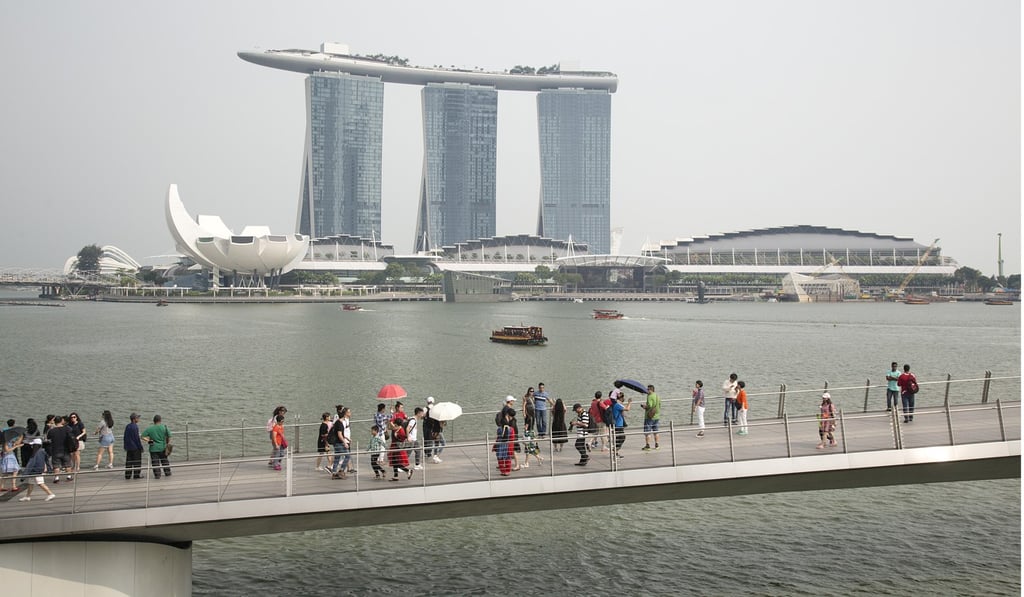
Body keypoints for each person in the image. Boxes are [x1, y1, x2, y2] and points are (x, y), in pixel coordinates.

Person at [141, 415, 172, 479]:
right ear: (160, 420)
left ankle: (157, 475)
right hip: (162, 447)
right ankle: (167, 473)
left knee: (155, 462)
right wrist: (167, 443)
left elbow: (142, 436)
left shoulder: (150, 429)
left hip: (153, 448)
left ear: (153, 421)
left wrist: (149, 440)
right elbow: (169, 436)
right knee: (164, 461)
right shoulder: (164, 427)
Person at [46, 415, 73, 483]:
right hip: (65, 449)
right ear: (62, 421)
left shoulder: (52, 431)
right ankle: (69, 476)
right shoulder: (67, 429)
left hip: (55, 450)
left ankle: (56, 478)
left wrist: (51, 427)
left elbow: (48, 437)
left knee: (56, 465)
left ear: (54, 422)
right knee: (67, 464)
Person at [387, 415, 413, 481]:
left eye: (395, 423)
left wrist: (397, 436)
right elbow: (389, 427)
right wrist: (389, 421)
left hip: (397, 447)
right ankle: (396, 476)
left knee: (396, 462)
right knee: (394, 461)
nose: (394, 425)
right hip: (394, 447)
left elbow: (403, 438)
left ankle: (407, 470)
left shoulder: (401, 431)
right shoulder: (396, 428)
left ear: (396, 424)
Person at [424, 396, 445, 464]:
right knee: (443, 443)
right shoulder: (437, 412)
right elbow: (441, 425)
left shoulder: (428, 410)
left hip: (432, 430)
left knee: (435, 443)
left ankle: (432, 455)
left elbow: (424, 417)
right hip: (438, 431)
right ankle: (436, 455)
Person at [610, 392, 632, 457]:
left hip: (618, 424)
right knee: (621, 438)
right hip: (618, 424)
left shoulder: (616, 404)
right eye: (623, 397)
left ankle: (615, 452)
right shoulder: (617, 405)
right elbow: (627, 409)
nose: (624, 398)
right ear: (621, 398)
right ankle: (615, 451)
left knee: (619, 438)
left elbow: (622, 413)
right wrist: (629, 402)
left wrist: (626, 416)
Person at [123, 413, 144, 480]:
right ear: (134, 419)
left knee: (129, 462)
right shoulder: (135, 427)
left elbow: (125, 437)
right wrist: (141, 447)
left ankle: (127, 475)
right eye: (137, 418)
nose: (138, 419)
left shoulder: (128, 426)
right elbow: (137, 439)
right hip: (135, 448)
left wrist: (125, 446)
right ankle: (136, 475)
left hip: (129, 447)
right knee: (137, 462)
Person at [495, 410, 516, 476]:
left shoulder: (499, 429)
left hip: (500, 445)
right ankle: (507, 471)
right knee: (507, 458)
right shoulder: (511, 429)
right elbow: (512, 438)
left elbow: (498, 437)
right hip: (508, 445)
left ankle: (502, 471)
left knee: (500, 458)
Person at [328, 411, 348, 480]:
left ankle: (334, 473)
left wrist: (347, 438)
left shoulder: (337, 422)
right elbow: (339, 435)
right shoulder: (339, 423)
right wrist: (345, 442)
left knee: (337, 458)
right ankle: (341, 471)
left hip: (336, 443)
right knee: (347, 455)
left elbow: (340, 434)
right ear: (344, 416)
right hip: (338, 443)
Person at [641, 384, 661, 451]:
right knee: (656, 431)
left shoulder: (650, 396)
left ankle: (648, 446)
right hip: (657, 416)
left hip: (649, 417)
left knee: (647, 432)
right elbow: (659, 405)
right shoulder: (657, 396)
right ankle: (657, 445)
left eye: (647, 389)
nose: (646, 391)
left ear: (650, 390)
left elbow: (649, 405)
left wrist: (644, 406)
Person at [67, 412, 86, 478]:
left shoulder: (80, 424)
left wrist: (79, 436)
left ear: (76, 417)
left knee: (77, 454)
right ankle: (73, 466)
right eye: (72, 417)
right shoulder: (70, 424)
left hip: (79, 441)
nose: (73, 418)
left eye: (74, 417)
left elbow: (84, 432)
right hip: (72, 441)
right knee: (72, 454)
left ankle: (77, 466)